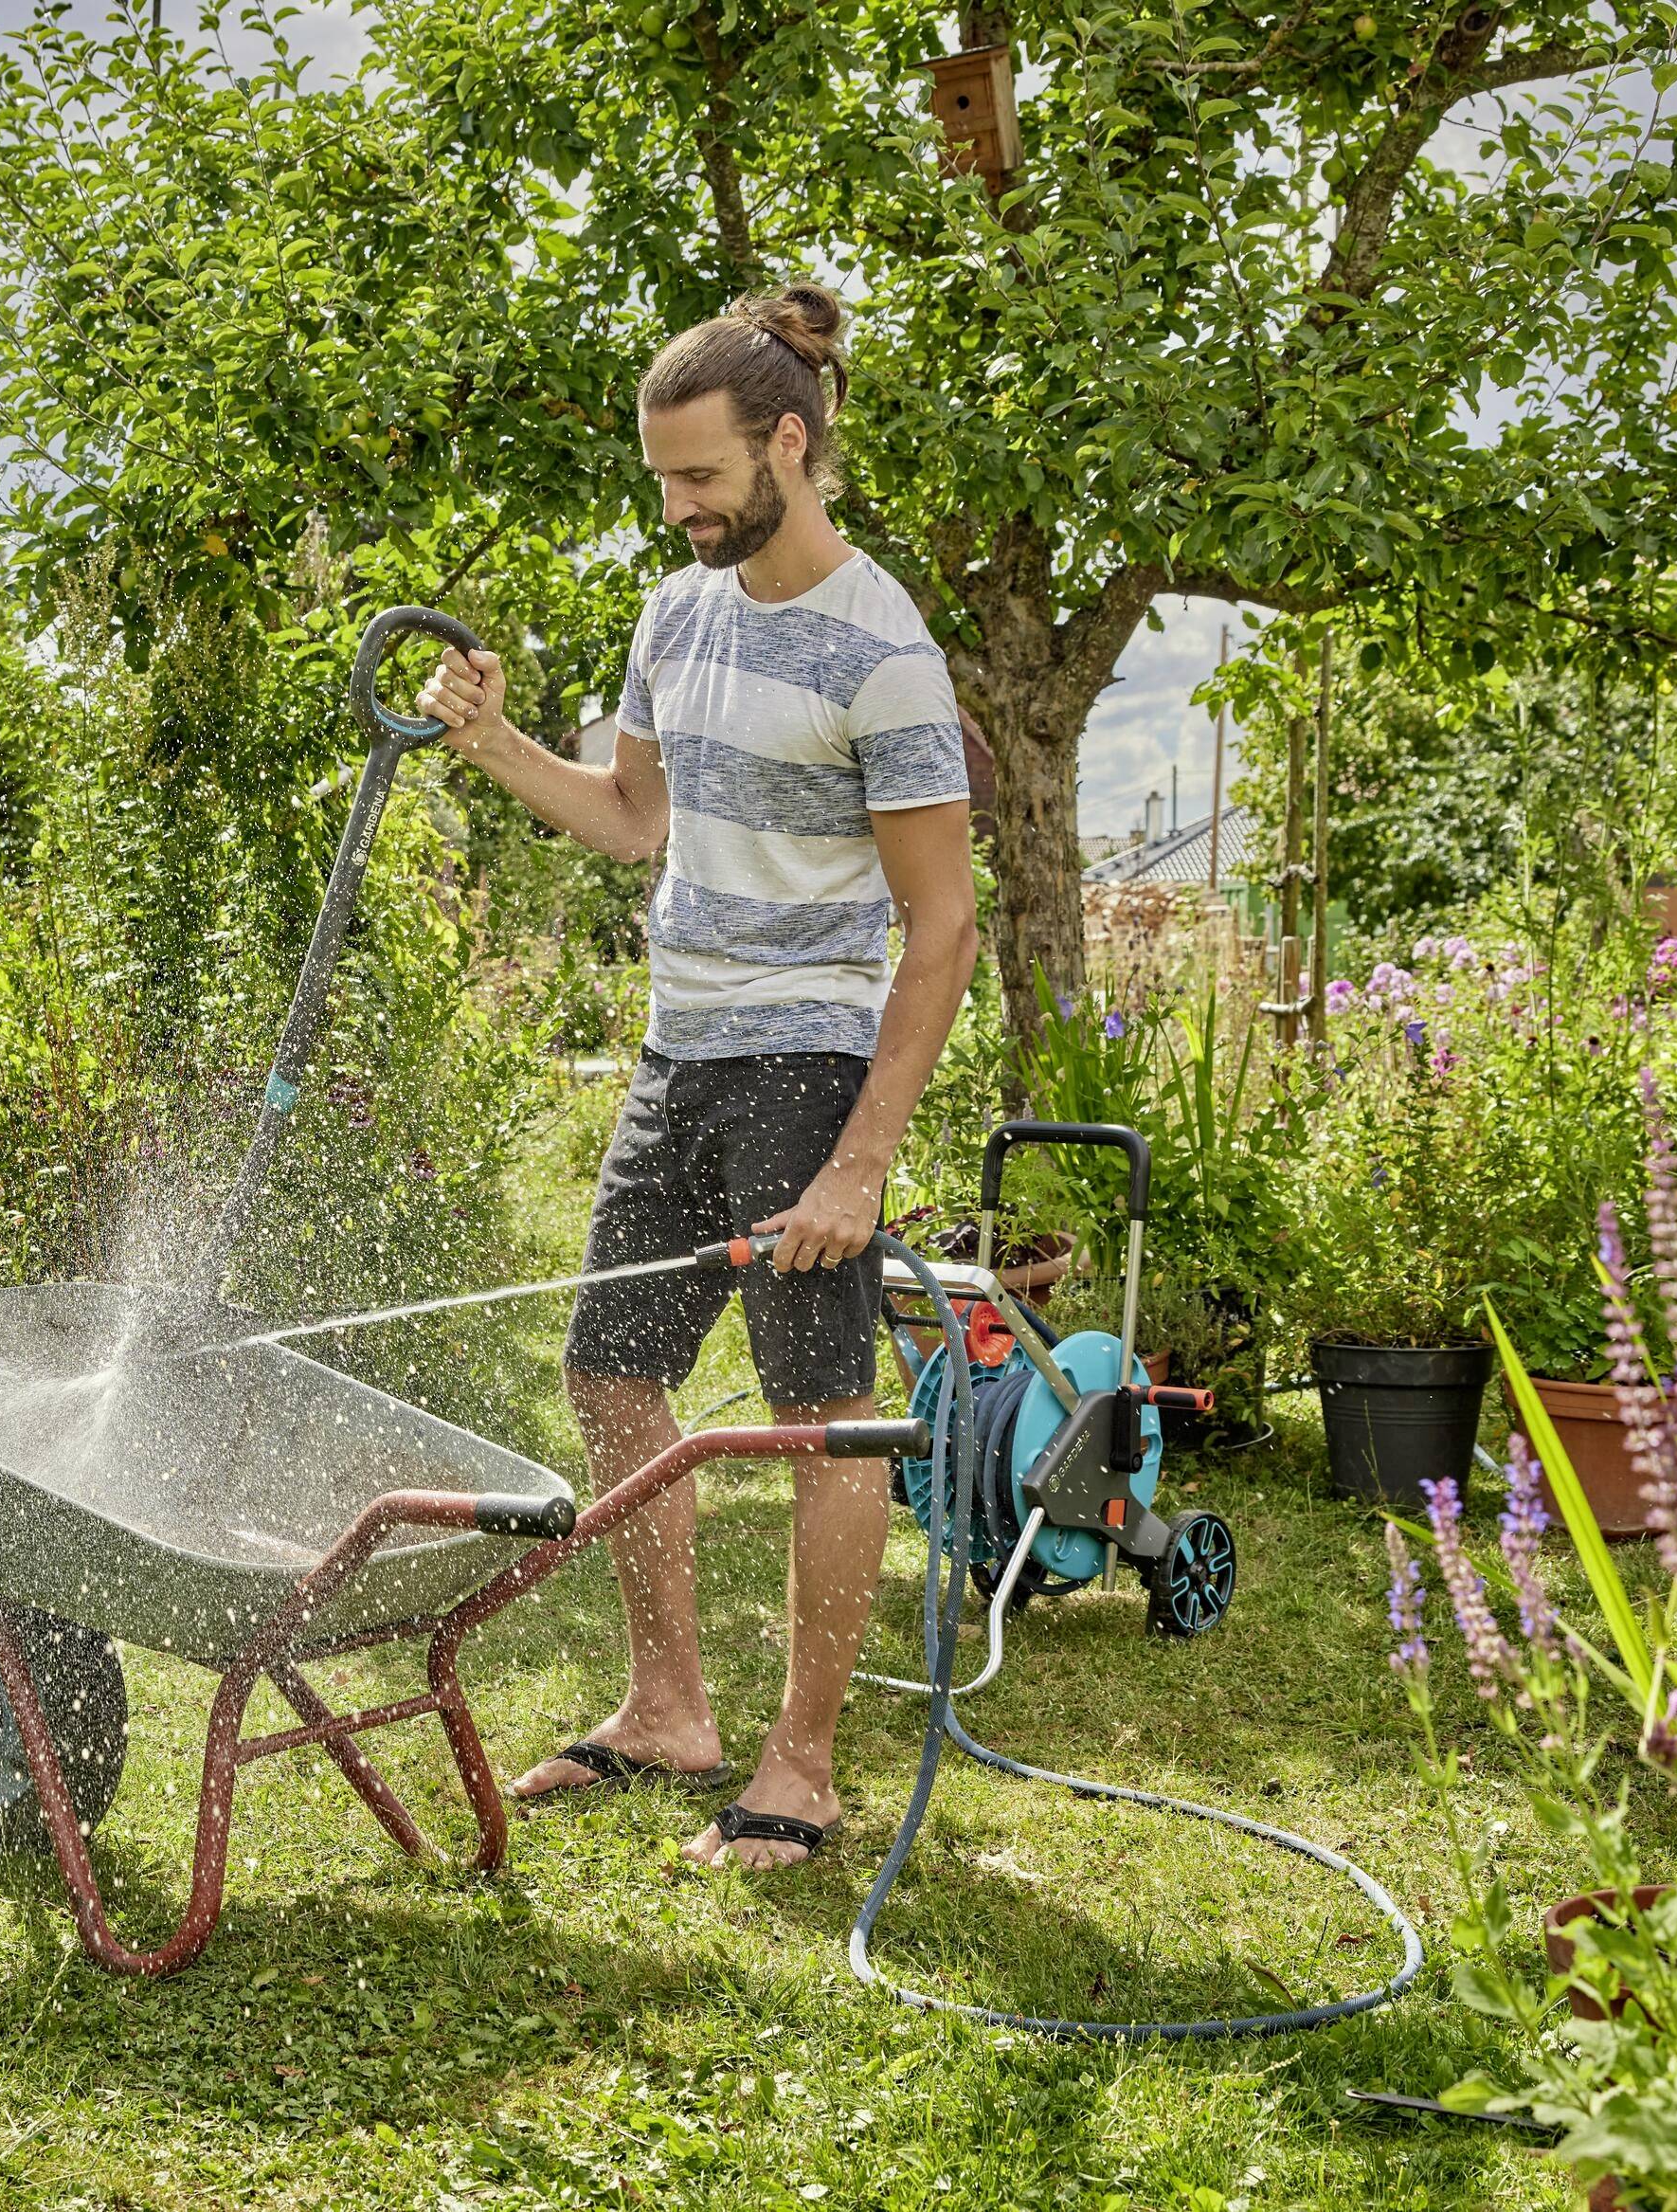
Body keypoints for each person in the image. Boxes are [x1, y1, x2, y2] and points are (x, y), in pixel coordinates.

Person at [413, 281, 980, 1872]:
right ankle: (670, 1705)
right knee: (610, 1369)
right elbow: (632, 822)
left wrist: (862, 1159)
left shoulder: (887, 653)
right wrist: (499, 746)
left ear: (787, 444)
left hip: (809, 1063)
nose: (680, 512)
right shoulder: (676, 615)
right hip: (679, 1051)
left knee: (822, 1420)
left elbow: (943, 929)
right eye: (663, 484)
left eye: (703, 481)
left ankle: (800, 1762)